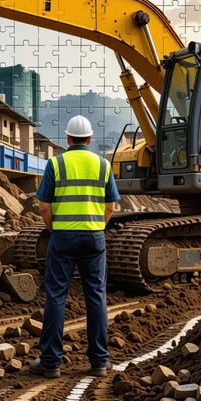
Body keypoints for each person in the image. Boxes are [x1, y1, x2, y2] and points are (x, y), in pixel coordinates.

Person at [29, 115, 121, 378]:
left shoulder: (56, 163)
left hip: (63, 238)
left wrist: (52, 228)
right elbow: (111, 206)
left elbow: (43, 205)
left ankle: (50, 363)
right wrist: (96, 226)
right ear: (90, 139)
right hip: (94, 237)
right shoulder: (103, 165)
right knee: (96, 295)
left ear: (68, 139)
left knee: (56, 295)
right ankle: (99, 362)